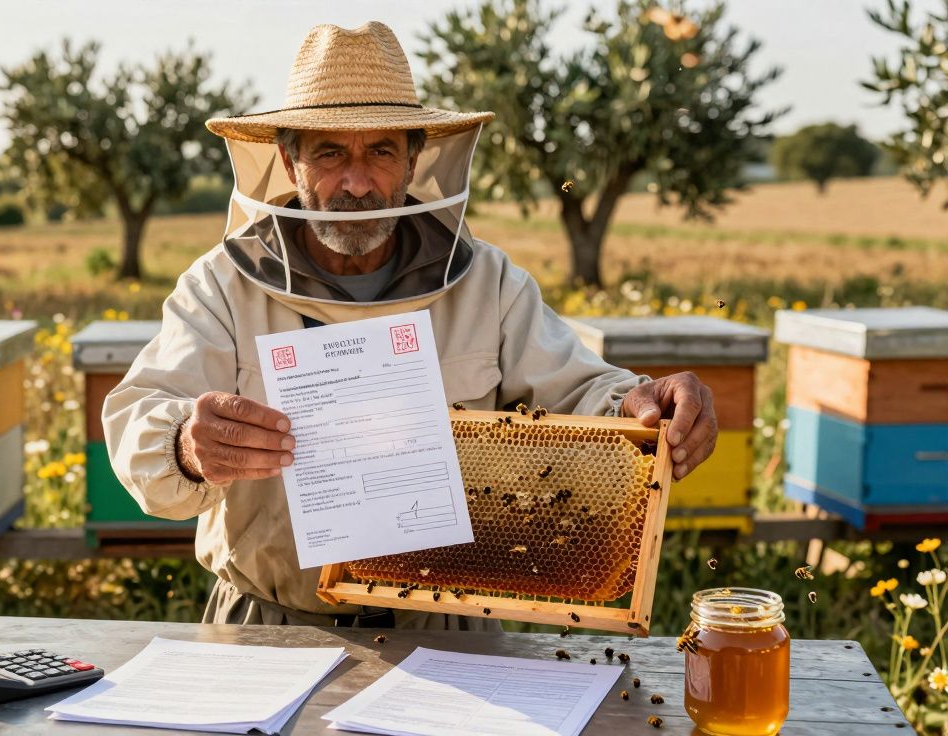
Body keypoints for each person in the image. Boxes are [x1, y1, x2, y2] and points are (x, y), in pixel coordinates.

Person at [103, 21, 718, 631]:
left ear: (414, 160)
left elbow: (583, 394)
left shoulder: (490, 286)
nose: (358, 181)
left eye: (381, 151)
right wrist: (185, 444)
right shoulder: (222, 287)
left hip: (451, 632)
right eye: (330, 152)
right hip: (271, 626)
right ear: (289, 162)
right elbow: (138, 414)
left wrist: (642, 405)